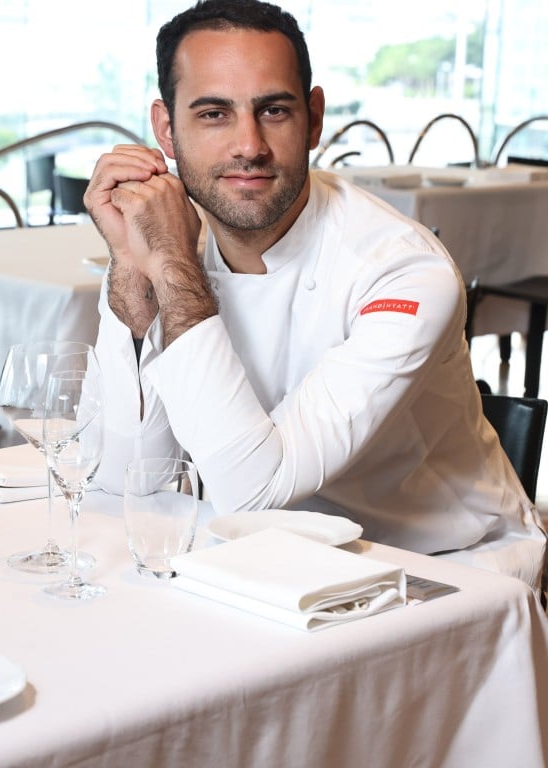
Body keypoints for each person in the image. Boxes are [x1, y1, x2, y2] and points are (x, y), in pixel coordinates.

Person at [83, 0, 546, 591]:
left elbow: (252, 491)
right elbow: (122, 476)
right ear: (166, 129)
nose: (248, 144)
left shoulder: (403, 271)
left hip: (439, 573)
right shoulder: (165, 247)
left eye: (273, 110)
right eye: (214, 114)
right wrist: (130, 266)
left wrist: (169, 265)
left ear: (315, 118)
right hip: (269, 564)